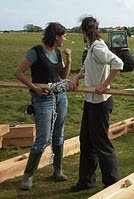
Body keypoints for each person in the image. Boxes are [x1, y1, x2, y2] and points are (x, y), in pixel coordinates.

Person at [15, 22, 71, 190]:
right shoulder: (36, 52)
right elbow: (18, 72)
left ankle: (58, 171)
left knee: (58, 135)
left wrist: (69, 60)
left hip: (60, 97)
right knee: (43, 138)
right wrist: (35, 89)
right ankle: (28, 176)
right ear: (56, 36)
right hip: (43, 99)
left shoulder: (58, 52)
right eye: (64, 36)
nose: (65, 39)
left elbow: (62, 76)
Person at [69, 16, 123, 191]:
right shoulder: (92, 48)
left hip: (100, 102)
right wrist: (76, 78)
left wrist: (104, 85)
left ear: (85, 32)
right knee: (86, 140)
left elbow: (118, 63)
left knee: (101, 143)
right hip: (90, 101)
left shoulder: (98, 47)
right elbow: (86, 69)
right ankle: (86, 181)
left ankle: (112, 183)